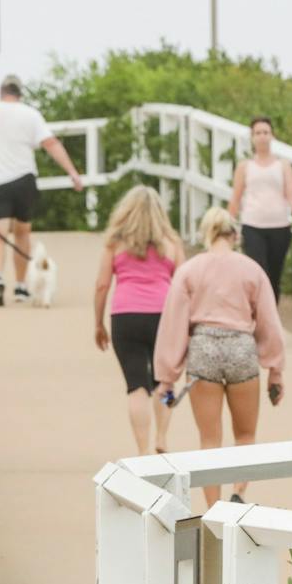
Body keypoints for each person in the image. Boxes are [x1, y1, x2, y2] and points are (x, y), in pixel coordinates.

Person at [153, 207, 286, 506]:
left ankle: (213, 508)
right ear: (235, 235)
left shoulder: (190, 270)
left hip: (204, 348)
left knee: (209, 439)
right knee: (245, 434)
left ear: (206, 234)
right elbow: (268, 321)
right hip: (241, 347)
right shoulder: (251, 270)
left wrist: (167, 377)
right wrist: (275, 370)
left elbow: (174, 323)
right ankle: (238, 492)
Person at [0, 74, 86, 307]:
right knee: (22, 233)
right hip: (24, 180)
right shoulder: (30, 114)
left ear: (1, 92)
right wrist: (72, 172)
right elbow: (51, 143)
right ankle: (20, 286)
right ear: (20, 93)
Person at [92, 185, 184, 456]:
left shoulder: (115, 243)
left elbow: (101, 285)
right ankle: (162, 437)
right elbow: (183, 286)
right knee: (164, 383)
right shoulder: (172, 245)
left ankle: (143, 450)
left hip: (125, 316)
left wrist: (98, 323)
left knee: (136, 386)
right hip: (163, 317)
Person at [227, 116, 292, 298]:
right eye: (258, 133)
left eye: (266, 132)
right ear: (252, 137)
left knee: (274, 275)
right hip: (253, 225)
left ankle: (271, 319)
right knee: (258, 272)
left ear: (272, 136)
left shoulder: (283, 165)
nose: (262, 136)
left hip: (279, 226)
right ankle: (257, 315)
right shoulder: (244, 166)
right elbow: (236, 198)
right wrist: (228, 225)